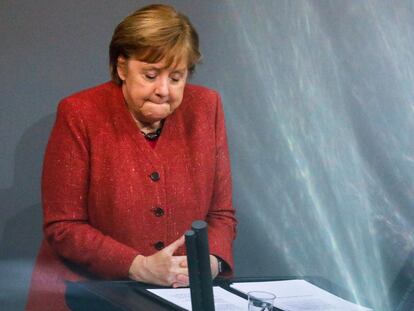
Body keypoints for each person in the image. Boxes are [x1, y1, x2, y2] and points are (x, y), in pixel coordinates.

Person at [25, 4, 237, 311]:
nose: (163, 89)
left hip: (179, 298)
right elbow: (64, 225)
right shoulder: (79, 114)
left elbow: (221, 214)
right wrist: (137, 265)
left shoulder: (207, 108)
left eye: (176, 77)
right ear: (122, 67)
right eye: (150, 75)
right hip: (86, 295)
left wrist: (210, 264)